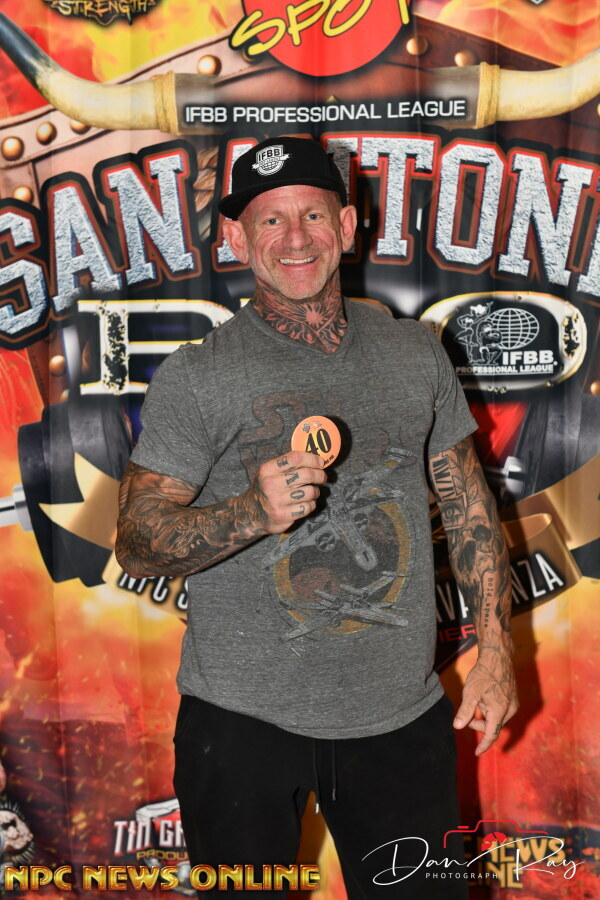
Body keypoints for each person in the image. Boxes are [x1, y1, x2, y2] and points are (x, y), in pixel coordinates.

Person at [115, 136, 518, 898]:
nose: (294, 238)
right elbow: (136, 541)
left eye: (312, 214)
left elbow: (468, 505)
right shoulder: (199, 376)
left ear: (348, 226)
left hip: (398, 718)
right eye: (270, 220)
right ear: (237, 240)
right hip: (240, 723)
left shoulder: (414, 354)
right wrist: (249, 512)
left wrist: (497, 650)